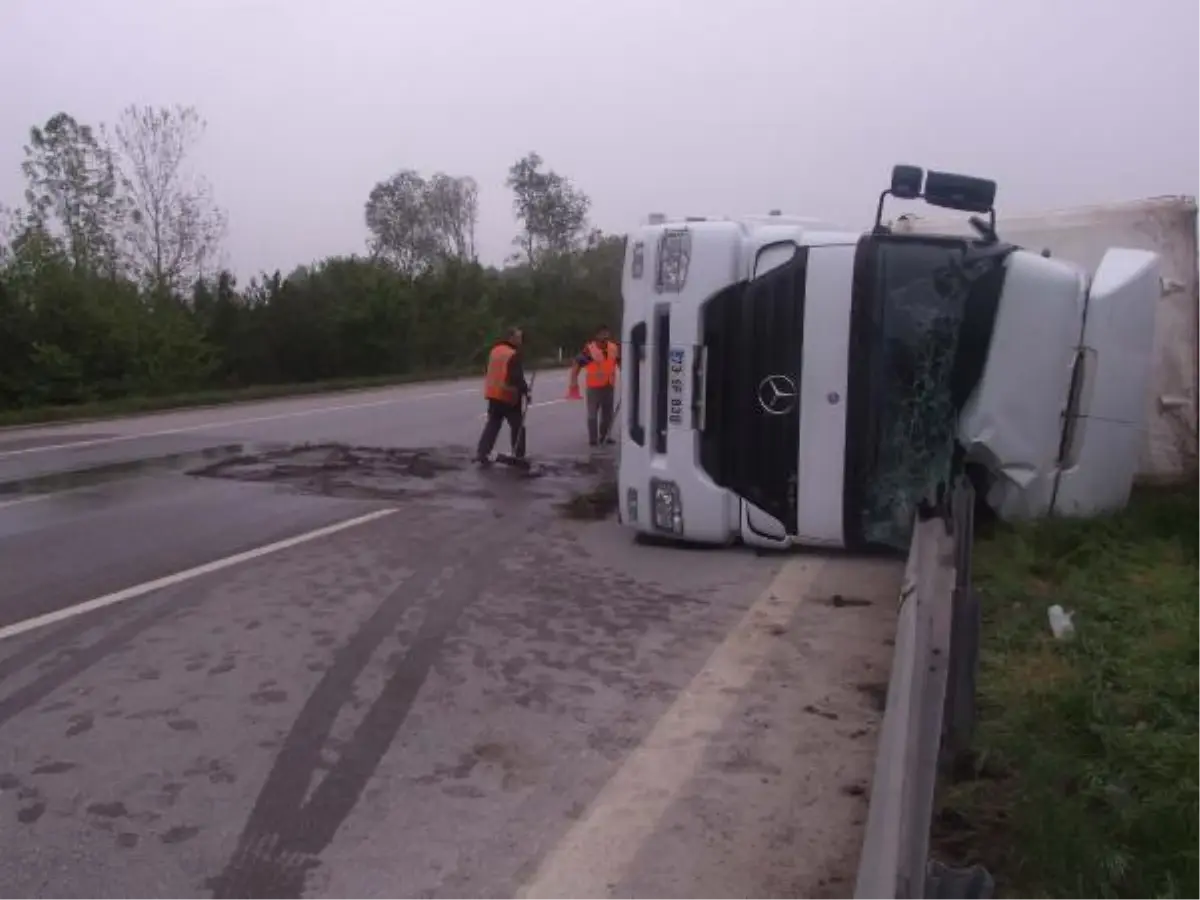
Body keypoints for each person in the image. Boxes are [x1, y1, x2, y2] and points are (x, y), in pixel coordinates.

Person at [475, 327, 531, 465]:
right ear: (510, 338)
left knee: (493, 424)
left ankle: (483, 452)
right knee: (517, 426)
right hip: (508, 396)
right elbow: (516, 377)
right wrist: (526, 391)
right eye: (518, 337)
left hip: (493, 394)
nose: (521, 340)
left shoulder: (495, 351)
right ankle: (518, 454)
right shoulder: (512, 354)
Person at [568, 325, 620, 446]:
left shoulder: (613, 347)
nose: (605, 336)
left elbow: (619, 362)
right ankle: (593, 438)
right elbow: (577, 363)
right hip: (594, 386)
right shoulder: (590, 349)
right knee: (592, 414)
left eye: (606, 333)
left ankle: (605, 436)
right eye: (602, 334)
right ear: (596, 335)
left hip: (609, 385)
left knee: (608, 414)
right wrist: (573, 380)